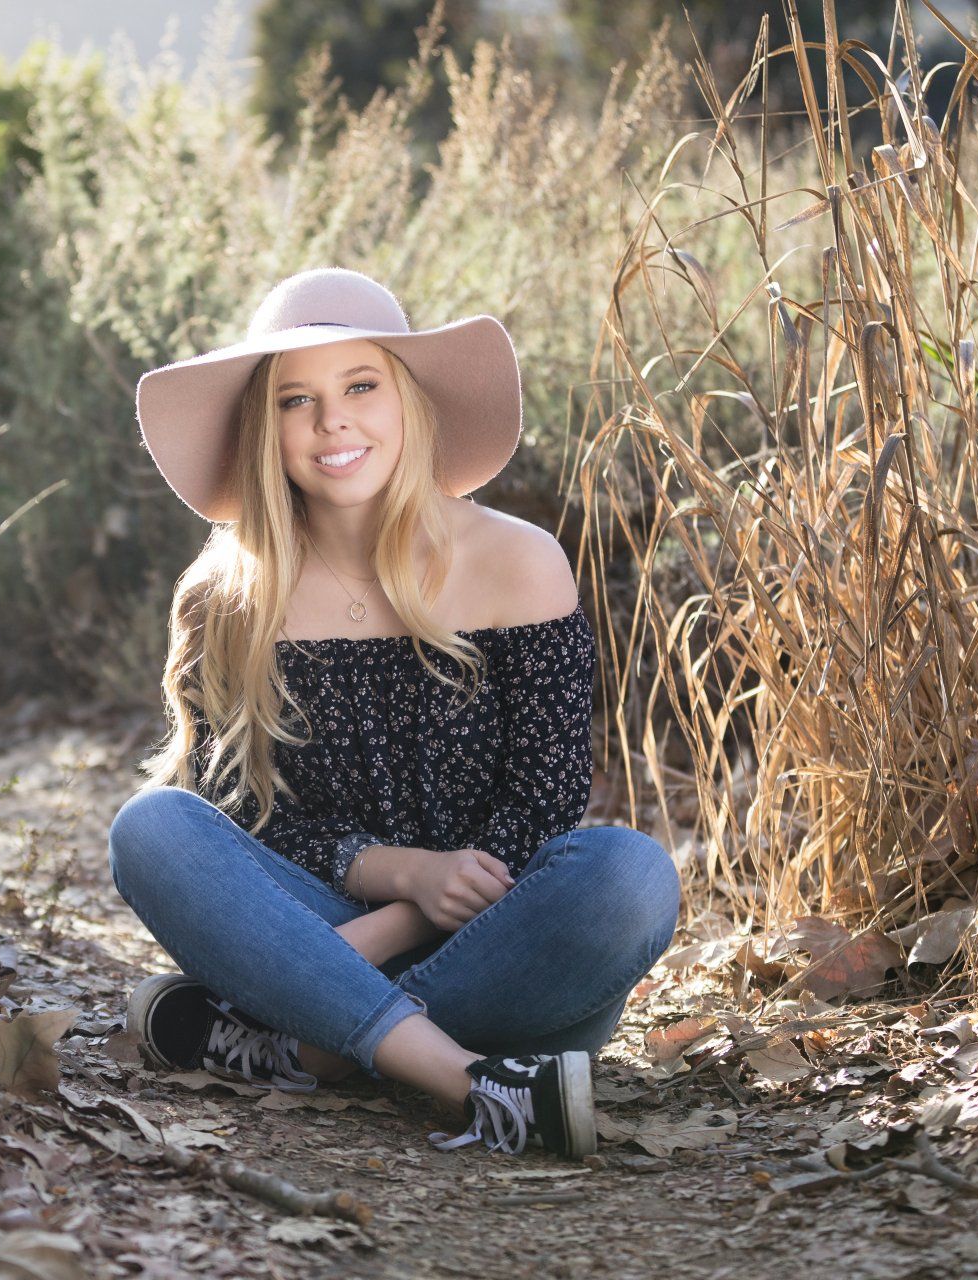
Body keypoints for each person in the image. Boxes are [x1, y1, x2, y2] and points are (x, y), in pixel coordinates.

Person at [108, 267, 681, 1158]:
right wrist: (401, 877)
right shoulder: (225, 596)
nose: (332, 420)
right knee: (152, 828)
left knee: (630, 876)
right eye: (296, 400)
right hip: (307, 928)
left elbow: (544, 797)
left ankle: (304, 1051)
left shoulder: (518, 564)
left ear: (409, 402)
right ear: (267, 429)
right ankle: (466, 1081)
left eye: (361, 385)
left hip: (502, 949)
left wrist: (409, 921)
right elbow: (245, 818)